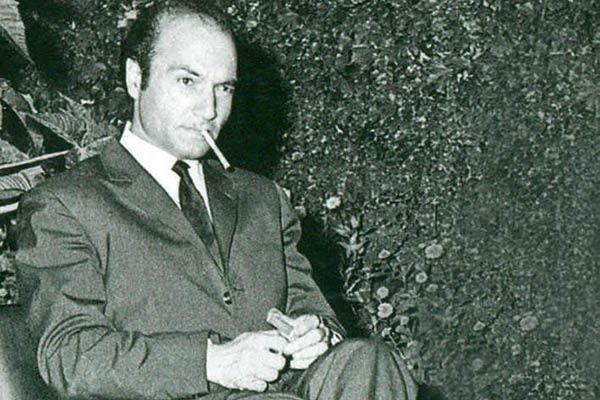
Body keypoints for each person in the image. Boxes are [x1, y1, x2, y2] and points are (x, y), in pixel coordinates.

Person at [15, 1, 418, 399]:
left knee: (369, 361)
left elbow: (311, 312)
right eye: (187, 81)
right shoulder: (65, 205)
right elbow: (70, 355)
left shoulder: (262, 198)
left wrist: (317, 334)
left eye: (223, 88)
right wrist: (212, 361)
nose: (209, 109)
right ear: (136, 78)